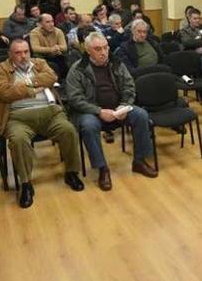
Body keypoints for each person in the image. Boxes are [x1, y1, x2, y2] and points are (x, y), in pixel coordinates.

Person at [0, 39, 84, 208]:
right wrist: (34, 88)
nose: (23, 56)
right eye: (18, 53)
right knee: (18, 140)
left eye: (26, 51)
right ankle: (26, 184)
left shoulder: (39, 62)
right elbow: (3, 91)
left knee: (68, 130)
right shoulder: (0, 69)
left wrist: (25, 85)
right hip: (18, 117)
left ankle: (71, 172)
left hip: (49, 113)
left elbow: (52, 77)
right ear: (10, 54)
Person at [65, 32, 158, 190]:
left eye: (105, 48)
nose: (103, 52)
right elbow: (75, 99)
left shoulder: (116, 63)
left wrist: (124, 104)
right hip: (92, 112)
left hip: (118, 108)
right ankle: (102, 168)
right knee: (88, 126)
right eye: (97, 49)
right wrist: (99, 111)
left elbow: (130, 86)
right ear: (88, 50)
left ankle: (139, 161)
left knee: (141, 115)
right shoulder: (78, 69)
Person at [29, 13, 69, 79]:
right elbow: (35, 48)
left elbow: (64, 47)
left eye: (52, 21)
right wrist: (51, 49)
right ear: (40, 24)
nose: (51, 24)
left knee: (64, 62)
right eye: (48, 22)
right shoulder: (34, 32)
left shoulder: (58, 31)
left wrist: (57, 48)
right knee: (52, 66)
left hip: (56, 56)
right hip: (41, 58)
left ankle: (64, 83)